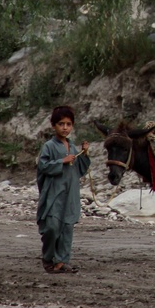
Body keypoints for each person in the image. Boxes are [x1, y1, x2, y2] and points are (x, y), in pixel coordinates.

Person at [36, 105, 91, 274]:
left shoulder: (73, 147)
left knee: (67, 226)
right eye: (61, 124)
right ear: (54, 126)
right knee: (52, 226)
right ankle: (48, 258)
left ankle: (61, 261)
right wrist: (61, 161)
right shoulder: (49, 146)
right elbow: (43, 166)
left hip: (70, 193)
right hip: (54, 193)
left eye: (68, 124)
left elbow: (80, 169)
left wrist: (85, 153)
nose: (65, 128)